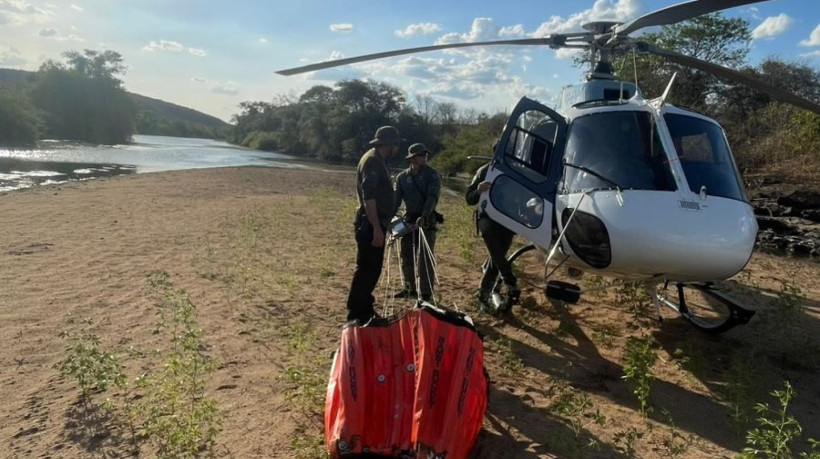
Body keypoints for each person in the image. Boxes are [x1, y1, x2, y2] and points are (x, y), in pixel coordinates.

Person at [346, 125, 402, 323]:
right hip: (370, 223)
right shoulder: (373, 161)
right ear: (389, 144)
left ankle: (365, 309)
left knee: (372, 269)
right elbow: (369, 197)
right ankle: (356, 313)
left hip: (374, 221)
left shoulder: (376, 159)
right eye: (395, 145)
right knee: (367, 269)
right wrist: (376, 227)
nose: (397, 149)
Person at [465, 161, 520, 313]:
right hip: (487, 219)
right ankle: (510, 281)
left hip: (508, 221)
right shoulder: (484, 171)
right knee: (497, 254)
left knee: (497, 258)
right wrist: (478, 191)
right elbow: (469, 198)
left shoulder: (519, 172)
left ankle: (483, 294)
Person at [392, 143, 442, 302]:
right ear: (412, 158)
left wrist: (425, 215)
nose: (425, 157)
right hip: (408, 220)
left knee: (425, 257)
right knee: (405, 255)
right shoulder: (402, 177)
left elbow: (432, 197)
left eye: (425, 155)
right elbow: (396, 201)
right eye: (421, 155)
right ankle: (409, 289)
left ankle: (426, 294)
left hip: (426, 220)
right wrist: (389, 219)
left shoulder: (433, 175)